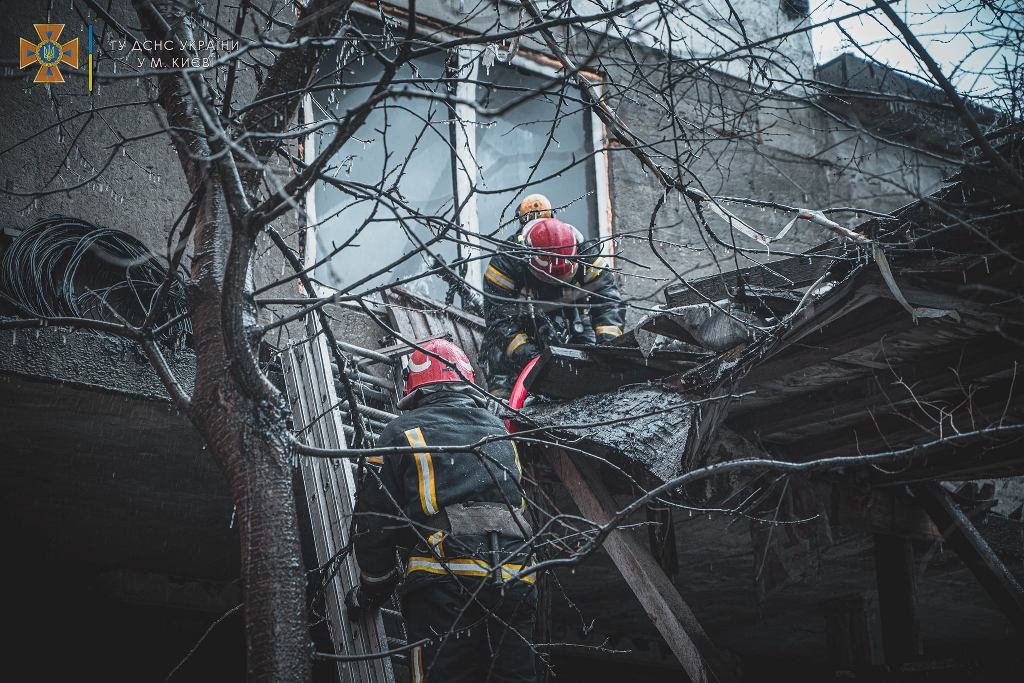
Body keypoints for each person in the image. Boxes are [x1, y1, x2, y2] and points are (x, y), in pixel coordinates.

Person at [347, 338, 537, 683]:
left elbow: (375, 522)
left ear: (416, 389)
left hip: (447, 584)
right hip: (517, 579)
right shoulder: (498, 433)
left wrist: (373, 589)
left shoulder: (401, 432)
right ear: (466, 382)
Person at [480, 193, 627, 396]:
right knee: (501, 369)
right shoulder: (506, 263)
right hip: (523, 332)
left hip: (573, 323)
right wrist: (533, 360)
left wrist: (608, 350)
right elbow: (499, 323)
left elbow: (609, 301)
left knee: (596, 385)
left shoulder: (586, 253)